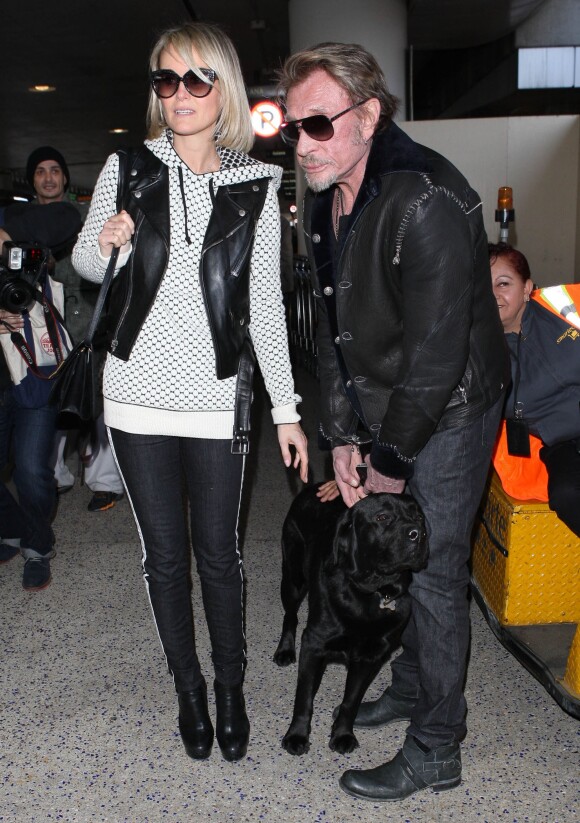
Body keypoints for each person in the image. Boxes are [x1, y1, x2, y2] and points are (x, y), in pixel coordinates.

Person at [72, 22, 308, 763]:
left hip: (217, 397)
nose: (179, 95)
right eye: (165, 80)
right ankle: (189, 689)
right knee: (163, 556)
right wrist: (104, 238)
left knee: (222, 556)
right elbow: (85, 262)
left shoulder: (256, 182)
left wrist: (286, 410)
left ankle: (231, 687)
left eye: (196, 80)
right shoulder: (126, 165)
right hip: (135, 391)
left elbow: (264, 303)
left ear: (225, 89)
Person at [277, 42, 507, 801]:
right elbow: (339, 336)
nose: (302, 143)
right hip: (388, 401)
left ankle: (438, 747)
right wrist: (343, 435)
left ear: (368, 115)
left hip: (452, 408)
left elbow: (436, 362)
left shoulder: (428, 198)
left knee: (433, 573)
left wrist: (389, 462)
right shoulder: (325, 195)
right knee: (405, 568)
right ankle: (410, 683)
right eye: (294, 128)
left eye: (318, 124)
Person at [23, 146, 124, 512]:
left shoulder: (85, 219)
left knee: (96, 408)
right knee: (48, 407)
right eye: (40, 172)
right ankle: (54, 476)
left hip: (88, 327)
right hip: (41, 332)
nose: (48, 177)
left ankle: (105, 481)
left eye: (54, 170)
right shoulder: (21, 225)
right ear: (32, 179)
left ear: (65, 178)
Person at [0, 203, 80, 590]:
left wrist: (8, 238)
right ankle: (14, 526)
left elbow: (68, 218)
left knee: (31, 471)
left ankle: (36, 545)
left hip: (33, 373)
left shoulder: (16, 230)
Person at [489, 242, 580, 535]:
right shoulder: (479, 352)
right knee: (566, 494)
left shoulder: (564, 309)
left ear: (527, 287)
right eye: (483, 286)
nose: (493, 295)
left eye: (503, 283)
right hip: (563, 446)